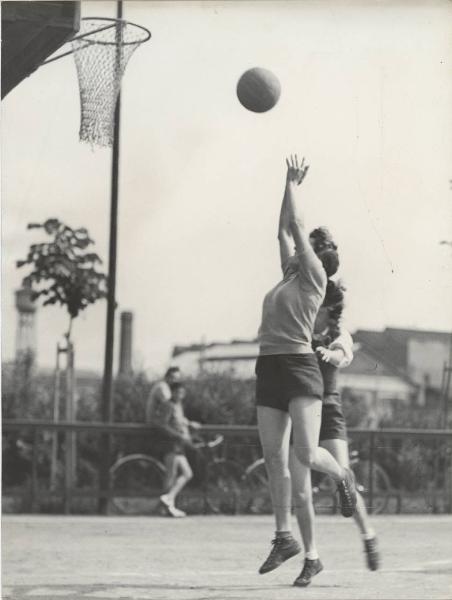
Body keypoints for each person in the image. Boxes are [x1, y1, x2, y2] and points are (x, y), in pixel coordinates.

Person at [256, 155, 357, 579]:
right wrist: (286, 184)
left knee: (305, 452)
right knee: (272, 457)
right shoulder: (287, 274)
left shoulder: (313, 277)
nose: (298, 248)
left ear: (317, 257)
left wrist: (296, 186)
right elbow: (282, 228)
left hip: (299, 365)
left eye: (306, 248)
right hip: (269, 365)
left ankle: (343, 477)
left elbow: (296, 229)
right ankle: (284, 538)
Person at [288, 283, 380, 587]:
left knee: (344, 481)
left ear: (328, 309)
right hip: (299, 410)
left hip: (327, 410)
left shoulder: (339, 336)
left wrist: (331, 354)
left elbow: (343, 356)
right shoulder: (299, 328)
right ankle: (311, 558)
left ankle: (368, 535)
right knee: (300, 491)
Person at [146, 368, 198, 517]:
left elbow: (179, 422)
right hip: (171, 444)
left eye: (182, 392)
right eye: (178, 392)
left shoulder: (178, 406)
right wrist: (178, 436)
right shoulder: (169, 405)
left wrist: (187, 428)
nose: (180, 395)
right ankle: (168, 505)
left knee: (187, 474)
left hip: (177, 445)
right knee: (172, 474)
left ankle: (168, 499)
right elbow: (161, 424)